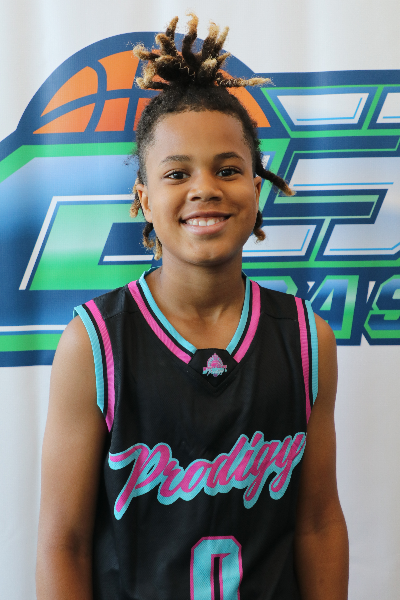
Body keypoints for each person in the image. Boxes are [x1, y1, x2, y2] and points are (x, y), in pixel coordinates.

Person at [36, 14, 349, 600]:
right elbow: (64, 542)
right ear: (144, 198)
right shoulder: (95, 343)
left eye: (228, 170)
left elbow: (318, 522)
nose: (205, 188)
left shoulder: (307, 339)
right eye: (177, 173)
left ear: (256, 187)